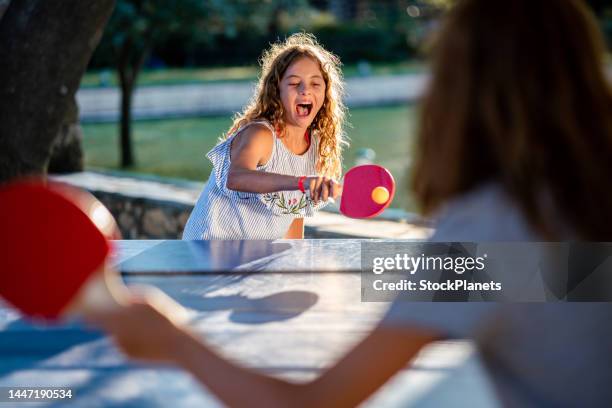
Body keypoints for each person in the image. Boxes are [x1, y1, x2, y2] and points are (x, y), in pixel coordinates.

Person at [89, 0, 612, 406]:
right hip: (212, 250)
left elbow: (310, 404)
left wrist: (173, 340)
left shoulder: (489, 228)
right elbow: (556, 287)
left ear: (457, 90)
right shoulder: (583, 199)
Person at [182, 33, 346, 240]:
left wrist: (295, 261)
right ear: (277, 91)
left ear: (325, 93)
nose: (305, 90)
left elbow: (293, 216)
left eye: (315, 84)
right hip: (209, 246)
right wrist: (302, 182)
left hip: (252, 254)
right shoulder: (260, 134)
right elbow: (237, 177)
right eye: (295, 83)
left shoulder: (315, 149)